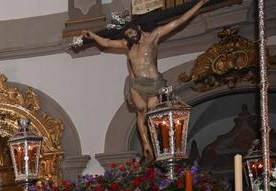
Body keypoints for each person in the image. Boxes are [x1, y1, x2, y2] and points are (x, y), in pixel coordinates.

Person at [82, 0, 209, 162]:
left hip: (154, 84)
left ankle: (158, 145)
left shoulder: (153, 37)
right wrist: (92, 35)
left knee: (151, 111)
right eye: (127, 34)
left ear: (138, 28)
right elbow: (106, 42)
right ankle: (147, 145)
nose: (131, 35)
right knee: (141, 110)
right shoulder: (126, 45)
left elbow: (179, 21)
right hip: (137, 84)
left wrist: (199, 5)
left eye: (132, 32)